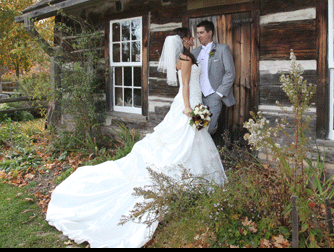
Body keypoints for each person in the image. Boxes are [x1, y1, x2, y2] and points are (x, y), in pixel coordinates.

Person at [45, 28, 227, 248]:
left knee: (193, 141)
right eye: (190, 37)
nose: (192, 39)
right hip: (189, 104)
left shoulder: (183, 58)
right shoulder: (186, 59)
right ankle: (190, 184)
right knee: (187, 142)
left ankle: (197, 185)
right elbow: (186, 85)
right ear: (184, 40)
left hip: (192, 102)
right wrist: (189, 108)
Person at [191, 20, 236, 136]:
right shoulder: (195, 52)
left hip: (213, 95)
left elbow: (230, 72)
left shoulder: (222, 49)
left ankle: (211, 150)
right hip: (197, 96)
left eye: (201, 32)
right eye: (197, 33)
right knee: (196, 126)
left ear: (210, 33)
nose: (198, 36)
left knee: (210, 127)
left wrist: (219, 94)